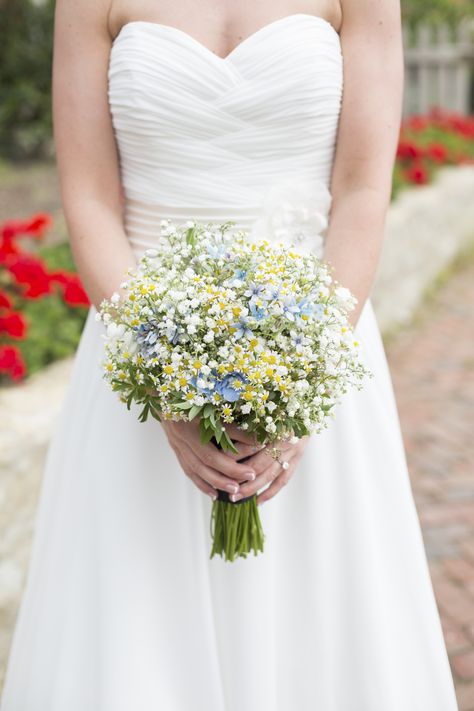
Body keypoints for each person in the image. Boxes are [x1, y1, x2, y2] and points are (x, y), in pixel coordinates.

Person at [1, 1, 460, 709]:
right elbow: (90, 198)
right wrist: (162, 381)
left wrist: (305, 379)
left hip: (315, 353)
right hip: (138, 359)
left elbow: (363, 190)